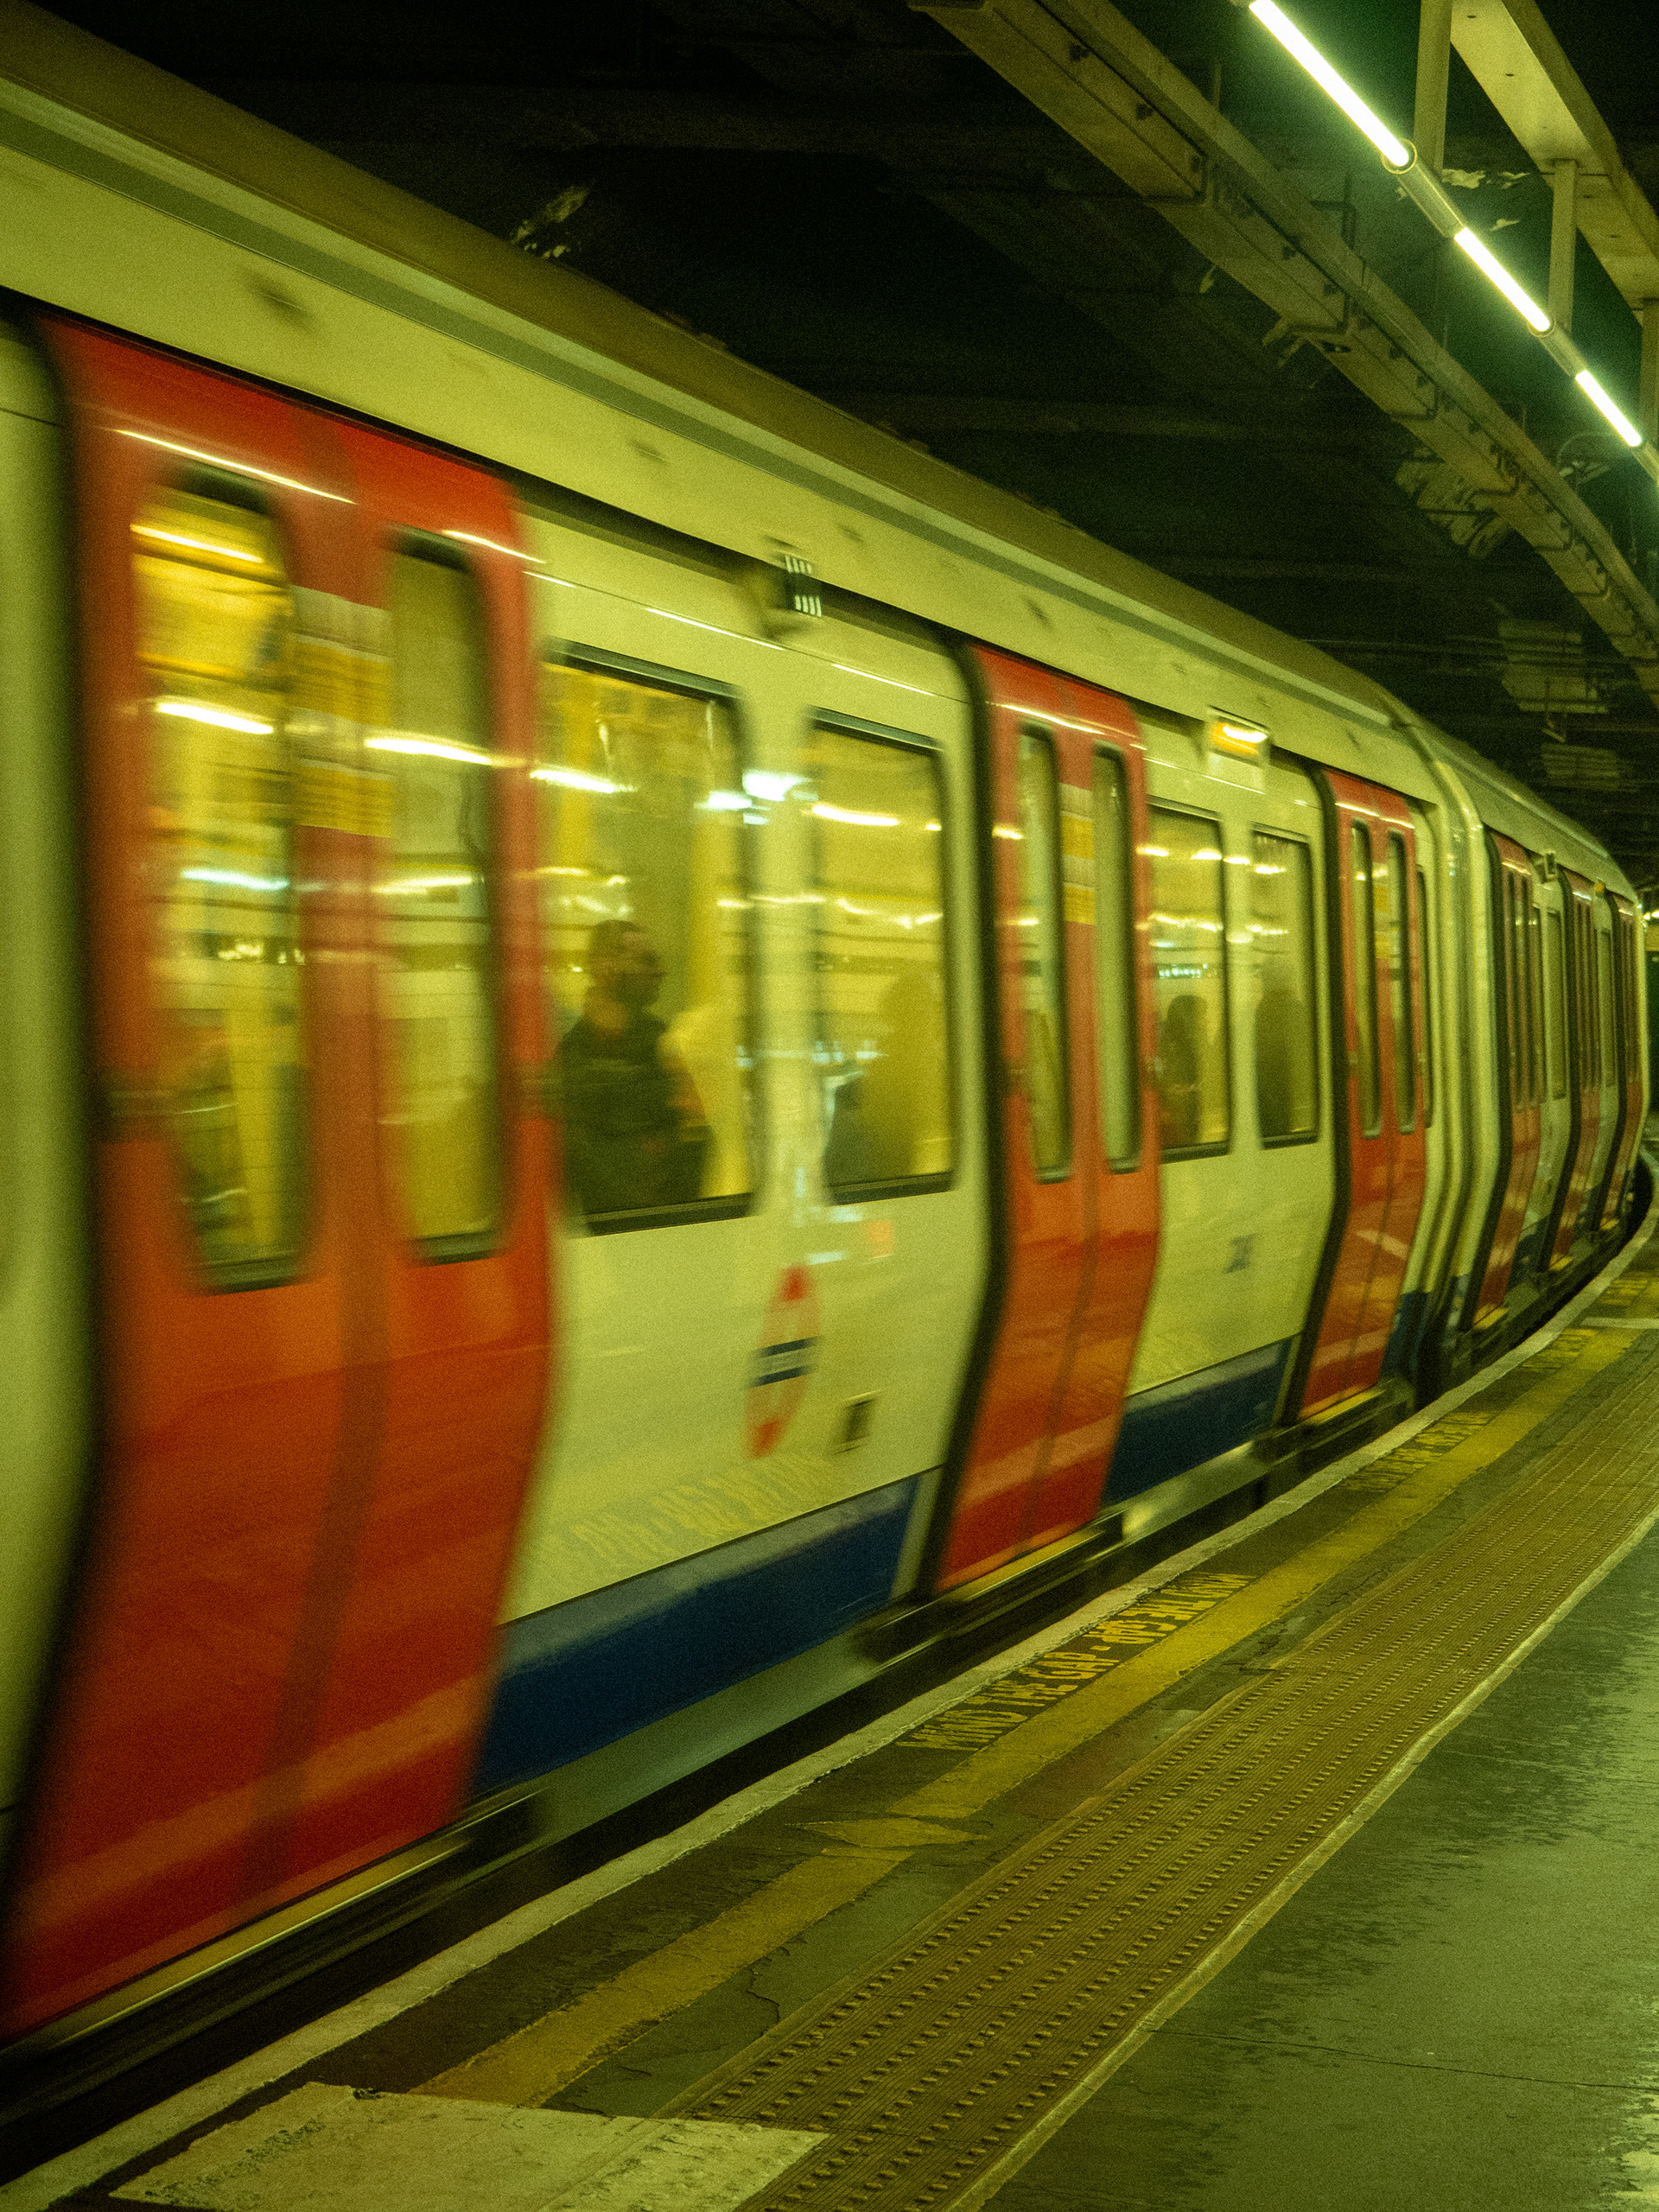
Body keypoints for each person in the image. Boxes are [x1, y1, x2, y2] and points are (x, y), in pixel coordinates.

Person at [560, 919, 709, 1218]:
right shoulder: (572, 1055)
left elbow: (691, 1131)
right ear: (607, 969)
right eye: (646, 961)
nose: (661, 971)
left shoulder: (659, 1040)